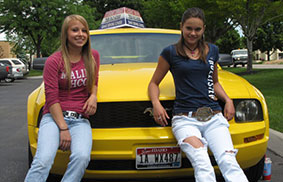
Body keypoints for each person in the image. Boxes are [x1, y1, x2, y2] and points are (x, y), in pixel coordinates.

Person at [148, 7, 248, 182]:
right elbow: (153, 83)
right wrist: (156, 104)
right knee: (202, 163)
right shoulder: (170, 53)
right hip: (185, 119)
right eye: (189, 28)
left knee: (228, 161)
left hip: (214, 118)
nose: (193, 33)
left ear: (203, 30)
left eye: (197, 29)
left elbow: (214, 82)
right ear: (181, 27)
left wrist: (228, 99)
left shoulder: (213, 51)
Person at [25, 14, 100, 182]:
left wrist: (93, 95)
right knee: (43, 160)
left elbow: (94, 81)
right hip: (53, 118)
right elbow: (51, 98)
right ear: (65, 34)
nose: (80, 34)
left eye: (84, 30)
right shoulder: (54, 61)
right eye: (75, 30)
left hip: (81, 119)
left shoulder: (93, 56)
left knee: (81, 157)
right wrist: (63, 128)